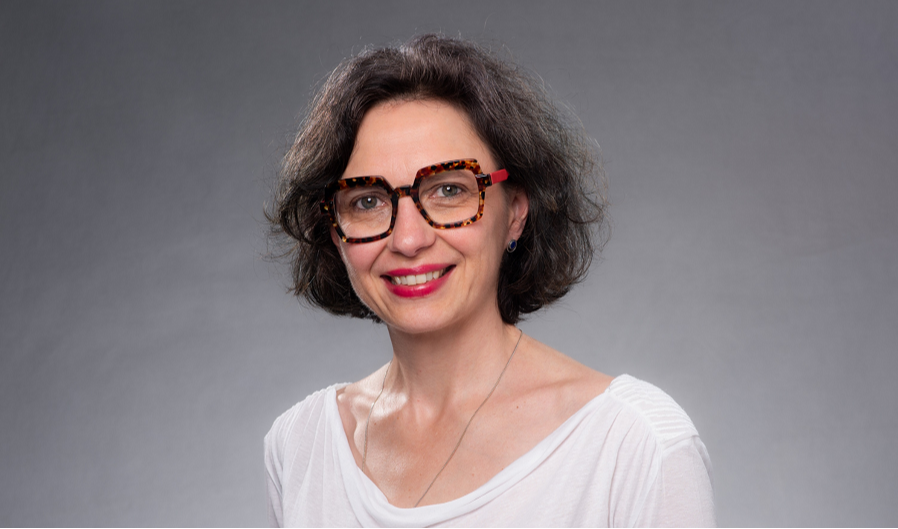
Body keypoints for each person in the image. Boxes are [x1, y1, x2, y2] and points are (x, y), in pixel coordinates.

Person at [264, 34, 715, 527]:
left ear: (516, 212)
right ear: (335, 232)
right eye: (367, 201)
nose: (409, 239)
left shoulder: (635, 445)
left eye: (448, 190)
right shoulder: (300, 444)